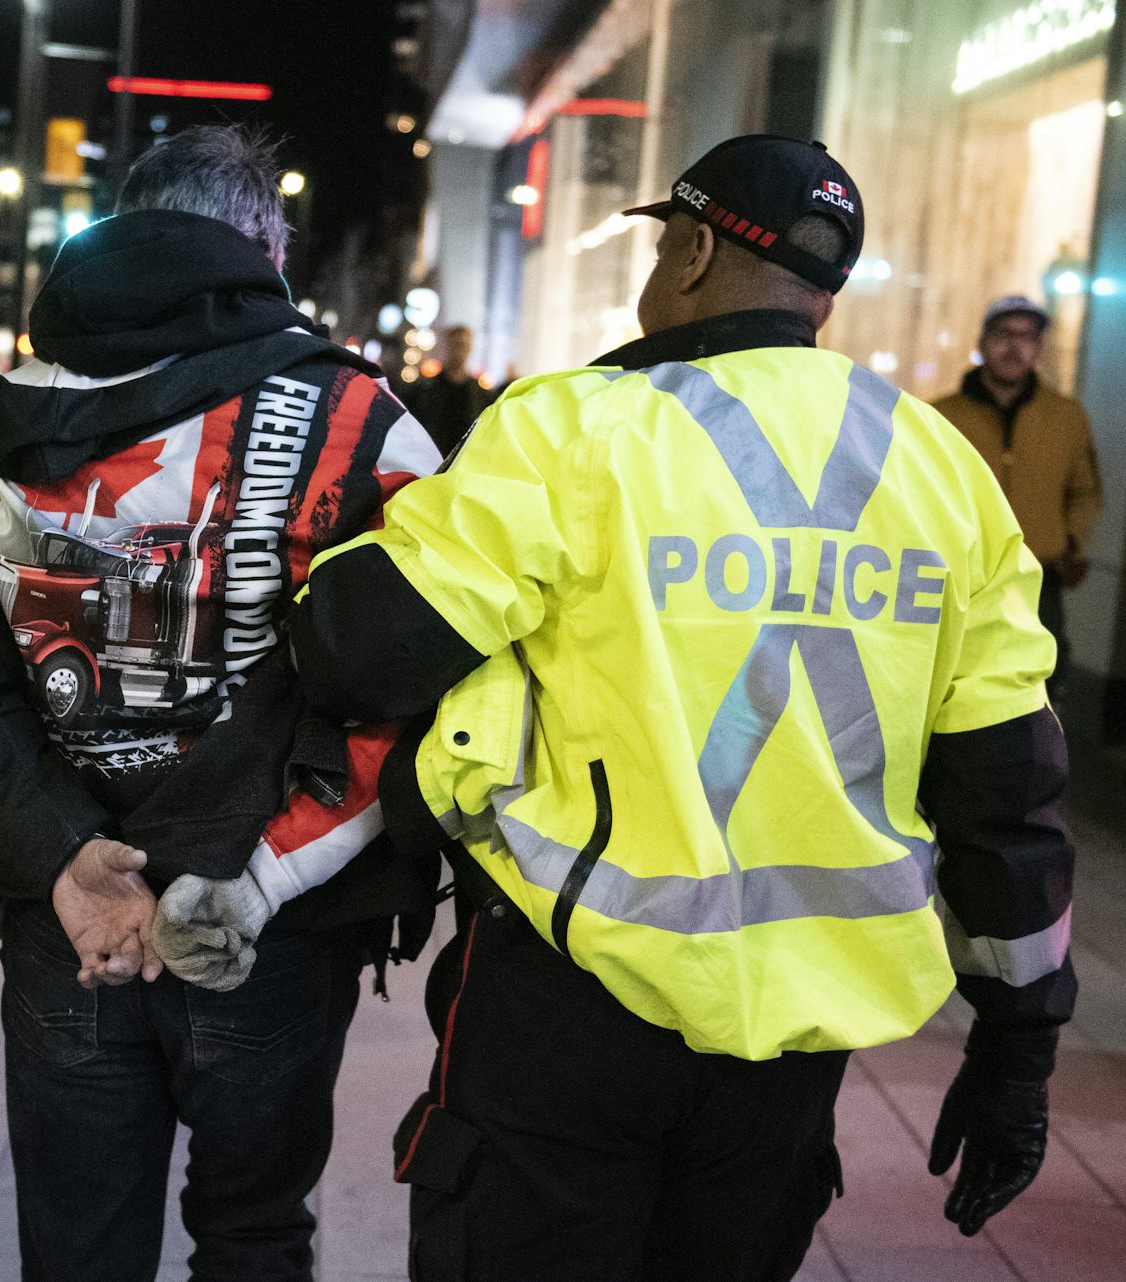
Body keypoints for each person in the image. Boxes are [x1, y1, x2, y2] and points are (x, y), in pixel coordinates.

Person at [291, 135, 1076, 1281]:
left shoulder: (577, 428)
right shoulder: (947, 475)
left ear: (698, 248)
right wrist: (1020, 1053)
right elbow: (1009, 794)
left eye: (666, 241)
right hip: (792, 1054)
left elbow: (359, 650)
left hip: (568, 1006)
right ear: (824, 287)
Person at [0, 125, 444, 1281]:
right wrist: (253, 881)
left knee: (79, 1245)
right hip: (266, 919)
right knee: (250, 1232)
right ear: (264, 245)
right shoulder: (365, 422)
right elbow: (413, 686)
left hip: (66, 914)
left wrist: (60, 857)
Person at [935, 296, 1101, 694]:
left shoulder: (1066, 417)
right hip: (962, 576)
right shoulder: (941, 415)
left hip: (1040, 576)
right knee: (954, 676)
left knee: (1039, 678)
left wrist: (1072, 540)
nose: (1015, 346)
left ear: (1039, 346)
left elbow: (1086, 490)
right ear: (983, 340)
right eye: (1004, 334)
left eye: (1028, 336)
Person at [401, 324, 492, 455]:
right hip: (432, 461)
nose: (460, 350)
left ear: (470, 348)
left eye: (464, 345)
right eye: (456, 345)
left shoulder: (481, 395)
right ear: (448, 346)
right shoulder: (424, 391)